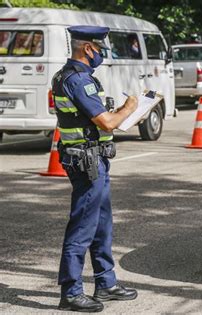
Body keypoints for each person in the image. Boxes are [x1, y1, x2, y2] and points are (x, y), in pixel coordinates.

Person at [53, 25, 138, 312]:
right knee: (82, 226)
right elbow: (107, 122)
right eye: (100, 49)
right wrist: (131, 107)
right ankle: (71, 291)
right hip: (85, 163)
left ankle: (105, 283)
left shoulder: (76, 77)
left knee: (102, 225)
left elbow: (94, 120)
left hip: (94, 160)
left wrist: (120, 115)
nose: (102, 55)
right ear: (88, 48)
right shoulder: (78, 80)